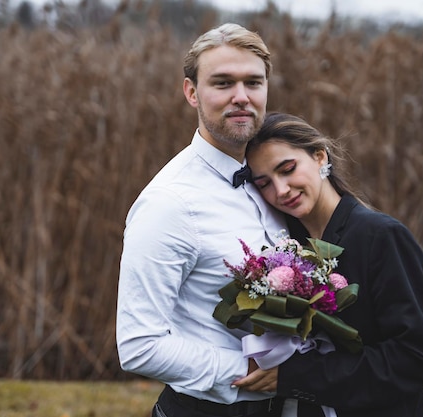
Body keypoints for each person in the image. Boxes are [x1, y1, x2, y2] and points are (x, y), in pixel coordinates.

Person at [116, 24, 287, 417]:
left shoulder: (276, 185)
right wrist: (249, 371)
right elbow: (139, 344)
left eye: (253, 83)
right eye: (223, 83)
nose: (241, 97)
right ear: (191, 92)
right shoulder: (169, 203)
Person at [232, 112, 423, 417]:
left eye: (288, 169)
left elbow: (416, 357)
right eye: (264, 183)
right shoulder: (284, 249)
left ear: (319, 157)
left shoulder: (382, 237)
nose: (281, 190)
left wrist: (298, 376)